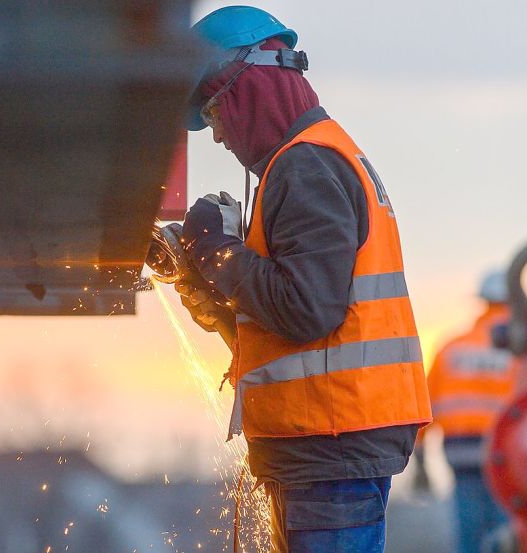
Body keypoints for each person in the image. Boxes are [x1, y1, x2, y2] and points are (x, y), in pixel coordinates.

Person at [176, 6, 432, 552]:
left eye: (215, 113)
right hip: (328, 444)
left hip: (331, 446)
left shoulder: (306, 165)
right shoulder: (311, 160)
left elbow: (306, 311)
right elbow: (301, 319)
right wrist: (215, 287)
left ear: (246, 87)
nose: (218, 136)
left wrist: (216, 249)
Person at [415, 271, 519, 553]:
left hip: (461, 454)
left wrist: (420, 456)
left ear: (482, 302)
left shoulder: (452, 347)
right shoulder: (519, 351)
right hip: (508, 457)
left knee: (470, 534)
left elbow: (424, 405)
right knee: (510, 533)